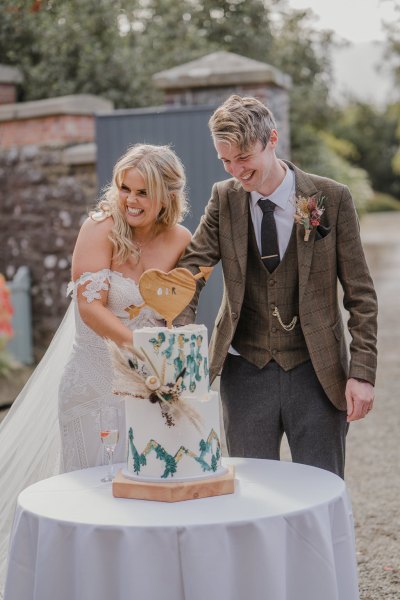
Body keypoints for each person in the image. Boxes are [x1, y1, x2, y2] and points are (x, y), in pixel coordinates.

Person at [0, 143, 191, 592]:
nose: (130, 200)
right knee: (92, 504)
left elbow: (180, 314)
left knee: (148, 501)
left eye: (144, 192)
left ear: (167, 195)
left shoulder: (182, 240)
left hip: (149, 393)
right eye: (124, 188)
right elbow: (91, 309)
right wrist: (145, 350)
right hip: (92, 389)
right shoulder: (100, 227)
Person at [177, 94, 377, 478]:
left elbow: (361, 295)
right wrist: (182, 337)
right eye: (225, 160)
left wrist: (363, 372)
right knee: (253, 495)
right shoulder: (224, 198)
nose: (236, 170)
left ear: (272, 139)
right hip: (245, 371)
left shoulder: (331, 199)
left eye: (243, 158)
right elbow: (192, 269)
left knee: (320, 488)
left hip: (317, 372)